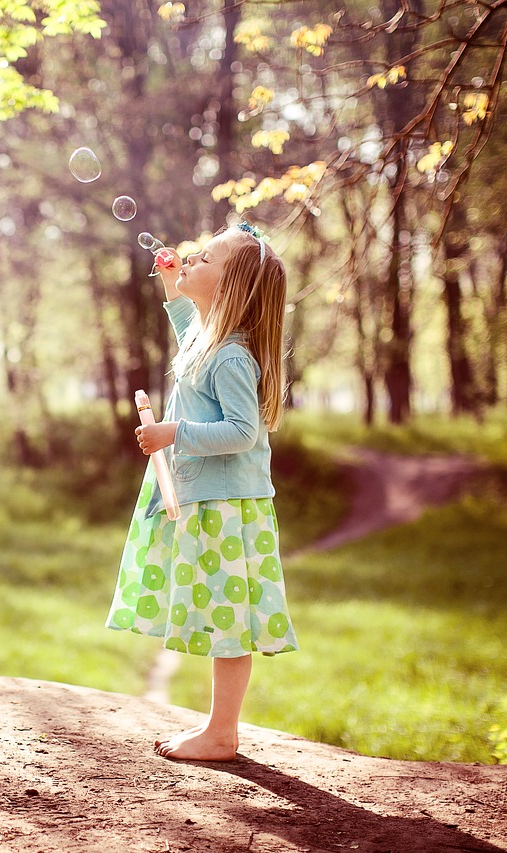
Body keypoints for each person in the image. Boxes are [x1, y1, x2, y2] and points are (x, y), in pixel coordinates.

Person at [106, 221, 298, 762]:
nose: (189, 259)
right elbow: (184, 319)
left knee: (229, 622)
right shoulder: (205, 339)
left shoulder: (233, 357)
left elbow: (243, 432)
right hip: (209, 502)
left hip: (226, 508)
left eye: (204, 260)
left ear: (232, 287)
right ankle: (219, 729)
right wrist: (173, 281)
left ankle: (221, 733)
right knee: (221, 615)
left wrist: (173, 434)